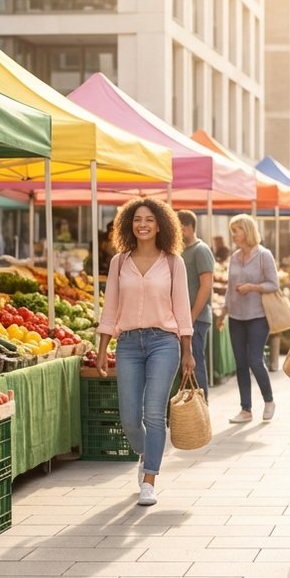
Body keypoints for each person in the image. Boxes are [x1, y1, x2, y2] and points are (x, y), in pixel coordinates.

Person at [94, 198, 195, 507]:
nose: (143, 224)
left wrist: (187, 351)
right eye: (137, 219)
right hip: (127, 345)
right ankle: (146, 452)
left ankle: (150, 479)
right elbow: (110, 307)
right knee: (128, 417)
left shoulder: (173, 262)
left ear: (161, 224)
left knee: (153, 412)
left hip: (163, 342)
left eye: (149, 219)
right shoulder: (119, 263)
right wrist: (102, 349)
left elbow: (182, 309)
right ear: (129, 224)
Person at [220, 214, 278, 424]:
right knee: (241, 363)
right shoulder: (234, 257)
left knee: (254, 359)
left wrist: (253, 287)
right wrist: (223, 312)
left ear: (247, 230)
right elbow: (228, 287)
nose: (233, 234)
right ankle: (246, 409)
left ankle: (269, 400)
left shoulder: (264, 255)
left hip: (257, 316)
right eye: (232, 231)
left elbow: (274, 284)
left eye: (236, 230)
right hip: (236, 316)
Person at [177, 210, 215, 399]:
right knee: (185, 365)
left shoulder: (201, 250)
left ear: (186, 228)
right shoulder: (181, 251)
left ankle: (201, 410)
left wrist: (190, 318)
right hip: (185, 320)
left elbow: (206, 286)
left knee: (195, 363)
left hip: (196, 319)